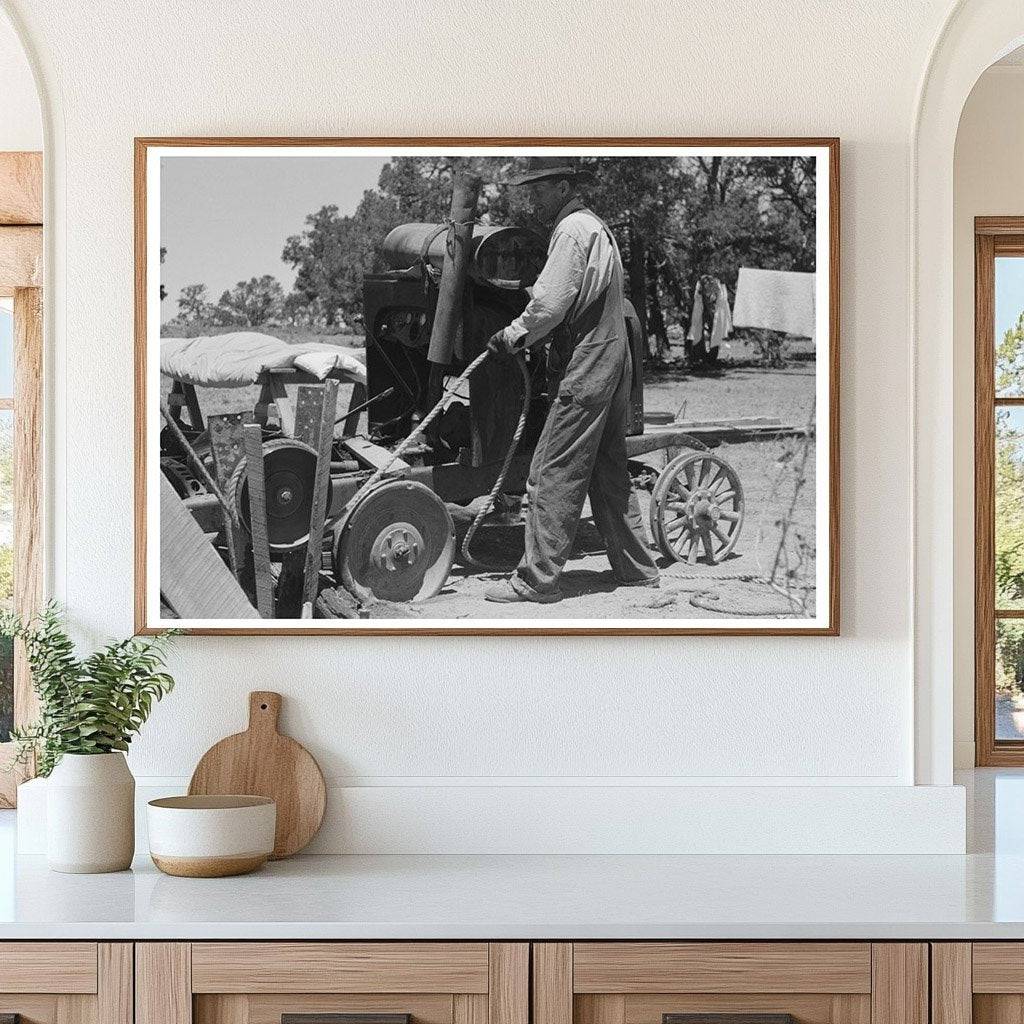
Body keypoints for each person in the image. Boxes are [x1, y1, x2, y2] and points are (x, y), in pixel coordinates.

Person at [484, 157, 660, 604]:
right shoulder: (593, 226)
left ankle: (536, 580)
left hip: (590, 357)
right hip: (611, 354)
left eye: (539, 190)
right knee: (607, 469)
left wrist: (512, 335)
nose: (533, 199)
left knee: (551, 469)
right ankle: (638, 569)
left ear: (563, 187)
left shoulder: (572, 230)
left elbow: (549, 304)